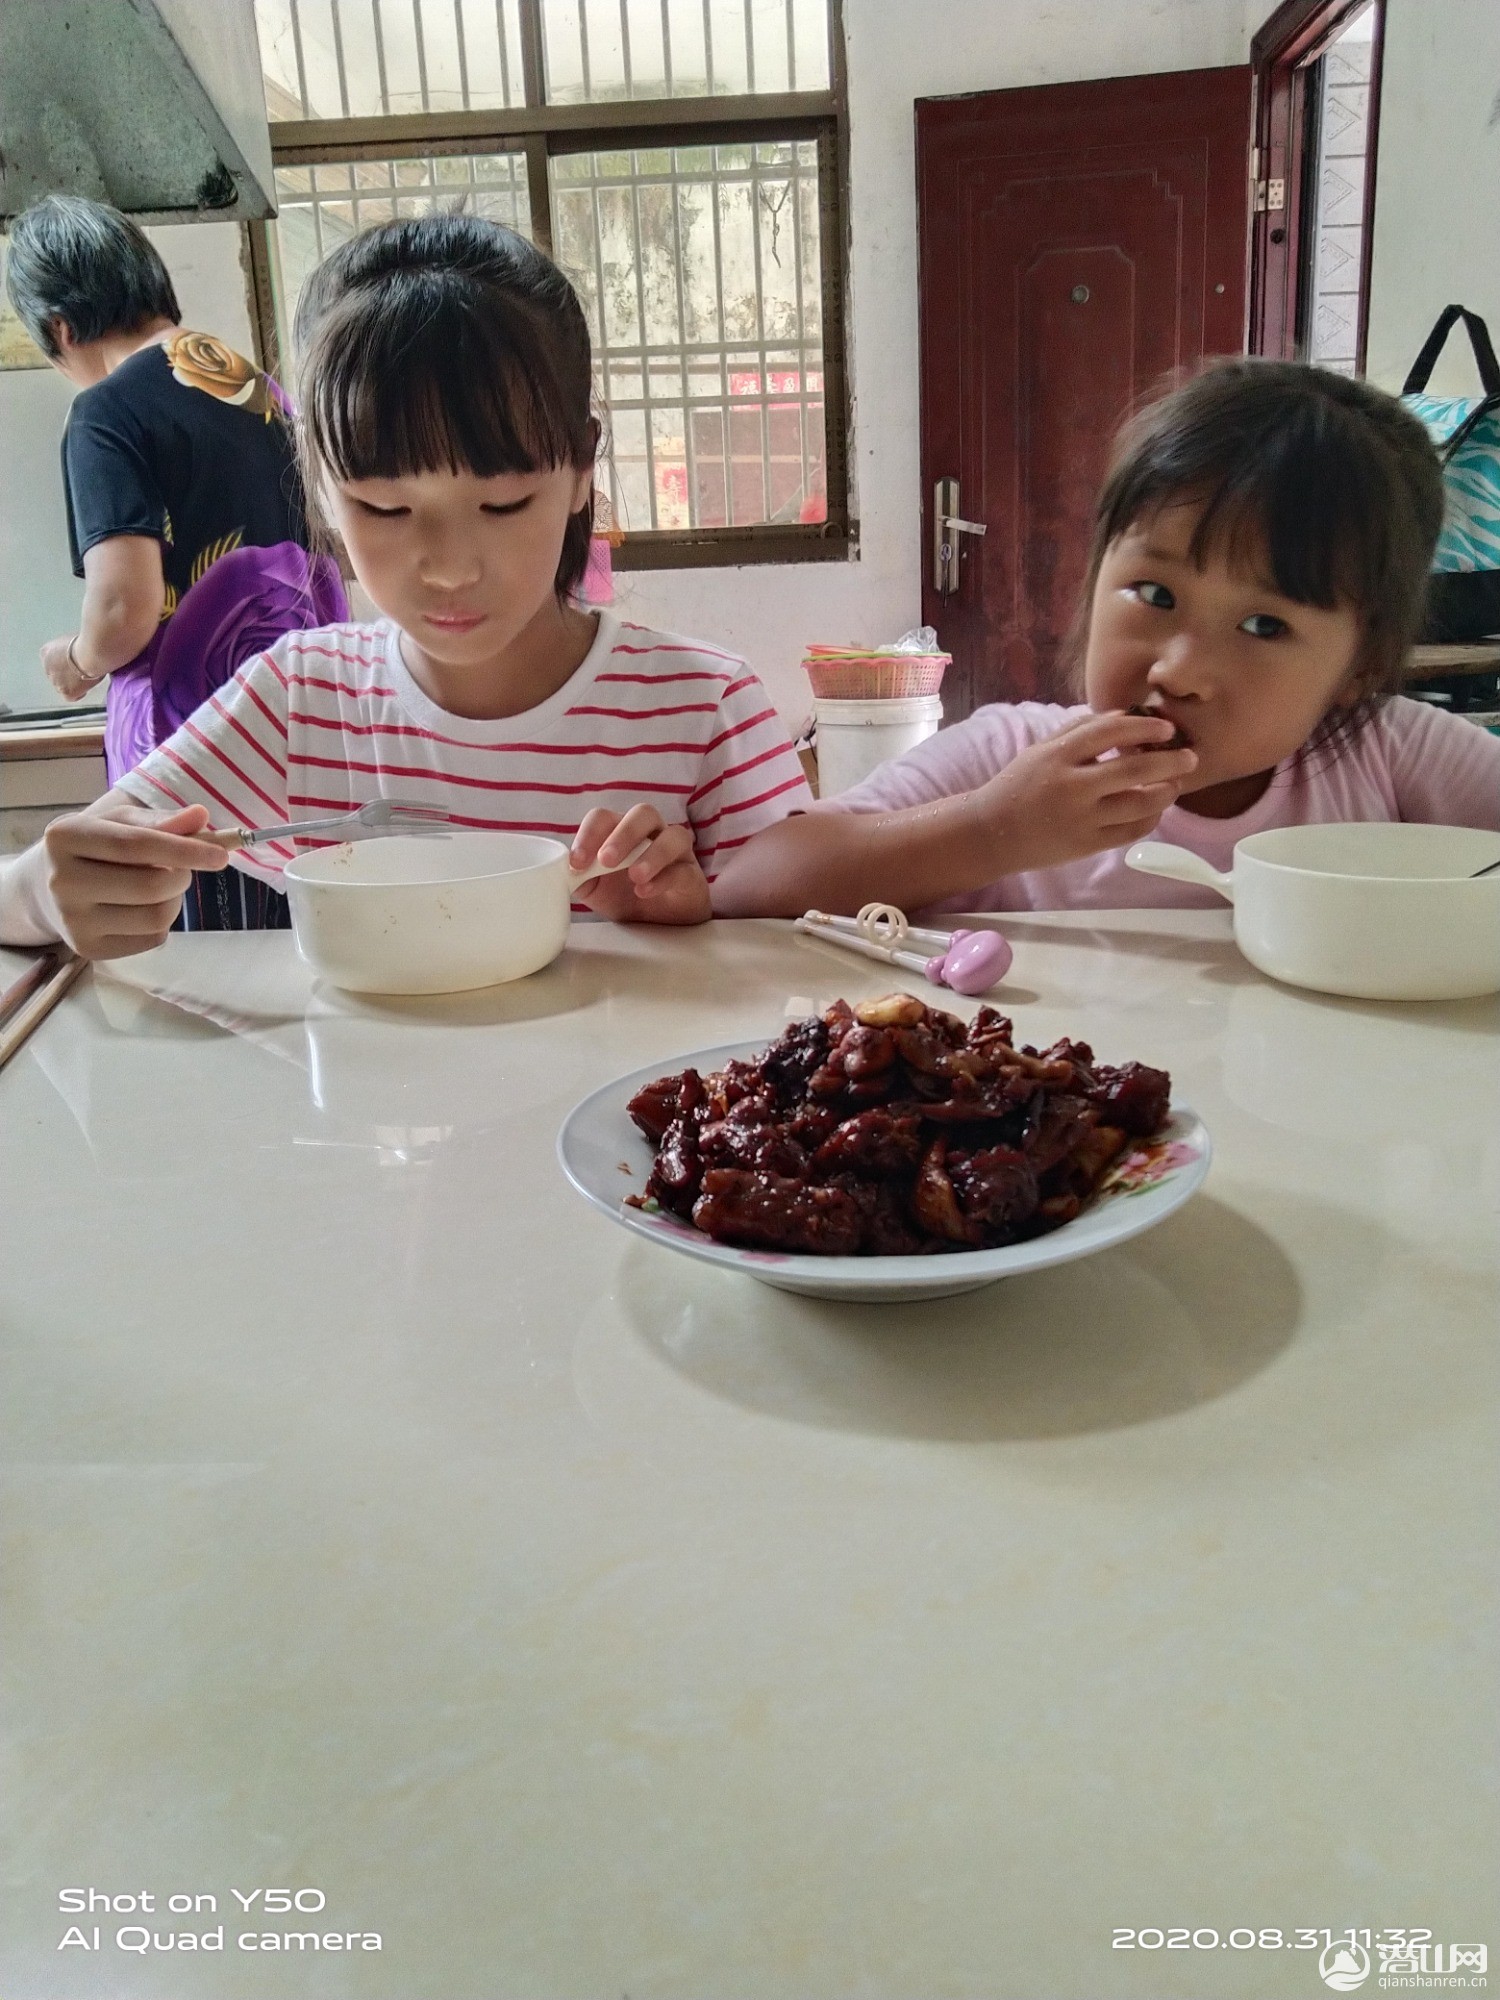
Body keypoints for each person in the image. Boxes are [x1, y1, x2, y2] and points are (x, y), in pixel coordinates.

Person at [0, 214, 809, 958]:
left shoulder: (705, 712)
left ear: (579, 471)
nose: (450, 567)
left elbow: (821, 960)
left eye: (504, 504)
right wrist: (46, 891)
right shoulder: (298, 702)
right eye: (384, 509)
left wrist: (705, 924)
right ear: (321, 489)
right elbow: (31, 891)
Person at [712, 360, 1500, 918]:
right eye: (1155, 594)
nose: (1180, 669)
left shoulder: (1384, 756)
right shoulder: (1012, 760)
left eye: (1265, 625)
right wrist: (992, 829)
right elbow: (753, 881)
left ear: (1360, 665)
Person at [4, 194, 347, 929]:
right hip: (296, 734)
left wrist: (77, 660)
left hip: (192, 755)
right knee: (289, 945)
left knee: (209, 961)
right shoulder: (262, 392)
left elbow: (124, 610)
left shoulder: (106, 411)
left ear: (60, 329)